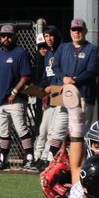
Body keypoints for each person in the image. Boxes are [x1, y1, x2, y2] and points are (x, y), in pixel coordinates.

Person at [0, 23, 37, 172]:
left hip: (16, 99)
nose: (5, 38)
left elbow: (26, 76)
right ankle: (4, 160)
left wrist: (15, 91)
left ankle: (30, 159)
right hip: (1, 100)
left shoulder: (20, 53)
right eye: (3, 35)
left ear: (15, 36)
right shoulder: (0, 55)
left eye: (9, 35)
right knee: (3, 132)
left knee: (21, 129)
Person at [54, 18, 99, 124]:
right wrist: (64, 78)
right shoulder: (63, 47)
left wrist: (74, 80)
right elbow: (55, 67)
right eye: (74, 29)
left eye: (79, 29)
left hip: (83, 97)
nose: (76, 32)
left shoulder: (92, 49)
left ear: (85, 31)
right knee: (58, 133)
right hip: (64, 97)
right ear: (70, 31)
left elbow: (92, 71)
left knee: (80, 134)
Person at [33, 23, 66, 168]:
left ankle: (47, 158)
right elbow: (47, 76)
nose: (48, 39)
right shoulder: (48, 55)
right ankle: (39, 157)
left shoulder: (62, 50)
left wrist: (54, 88)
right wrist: (39, 88)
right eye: (46, 36)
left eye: (51, 35)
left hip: (60, 95)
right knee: (43, 131)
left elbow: (63, 75)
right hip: (50, 98)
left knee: (54, 131)